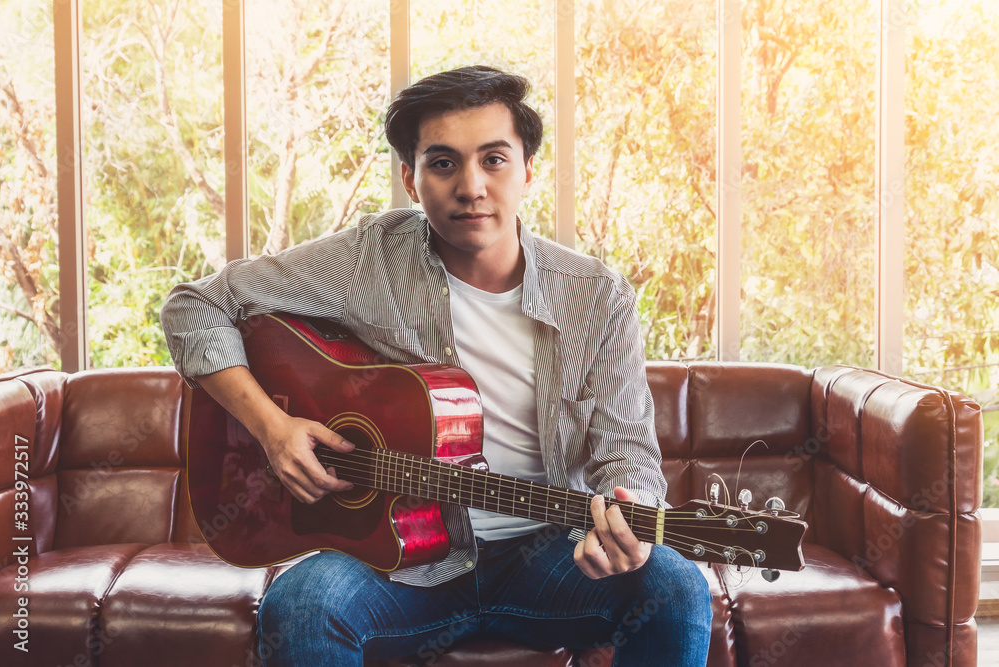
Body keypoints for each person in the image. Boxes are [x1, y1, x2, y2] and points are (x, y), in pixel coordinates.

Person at [161, 65, 712, 666]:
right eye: (443, 163)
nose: (471, 186)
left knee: (674, 584)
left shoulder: (598, 295)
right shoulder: (371, 259)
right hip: (402, 561)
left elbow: (628, 449)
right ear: (410, 176)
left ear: (529, 168)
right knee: (301, 601)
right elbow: (196, 305)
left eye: (494, 159)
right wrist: (272, 428)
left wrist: (623, 519)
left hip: (551, 552)